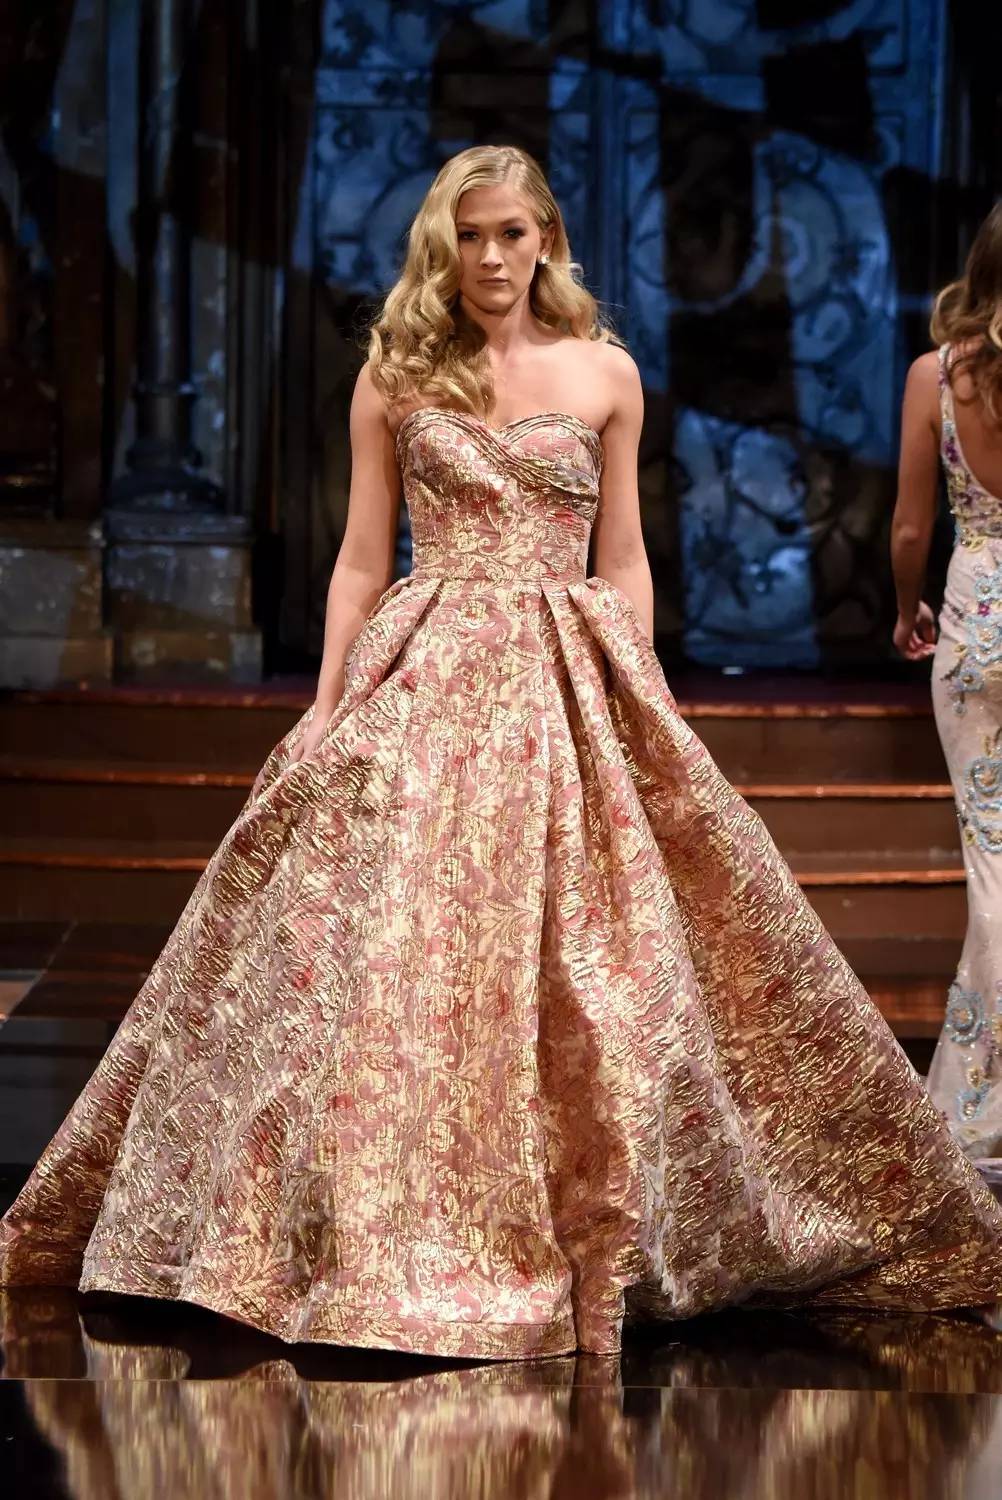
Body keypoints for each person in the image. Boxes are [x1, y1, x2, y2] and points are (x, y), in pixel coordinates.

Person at [2, 146, 1001, 1362]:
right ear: (444, 243)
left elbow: (622, 555)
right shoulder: (396, 374)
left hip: (563, 669)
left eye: (512, 233)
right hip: (427, 664)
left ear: (546, 241)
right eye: (470, 234)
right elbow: (361, 558)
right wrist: (325, 702)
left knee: (597, 951)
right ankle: (362, 1220)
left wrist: (638, 691)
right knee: (388, 943)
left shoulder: (606, 373)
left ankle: (593, 1208)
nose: (490, 256)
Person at [891, 201, 1002, 1185]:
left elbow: (909, 532)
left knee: (993, 870)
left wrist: (905, 609)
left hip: (973, 623)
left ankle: (974, 1111)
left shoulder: (939, 375)